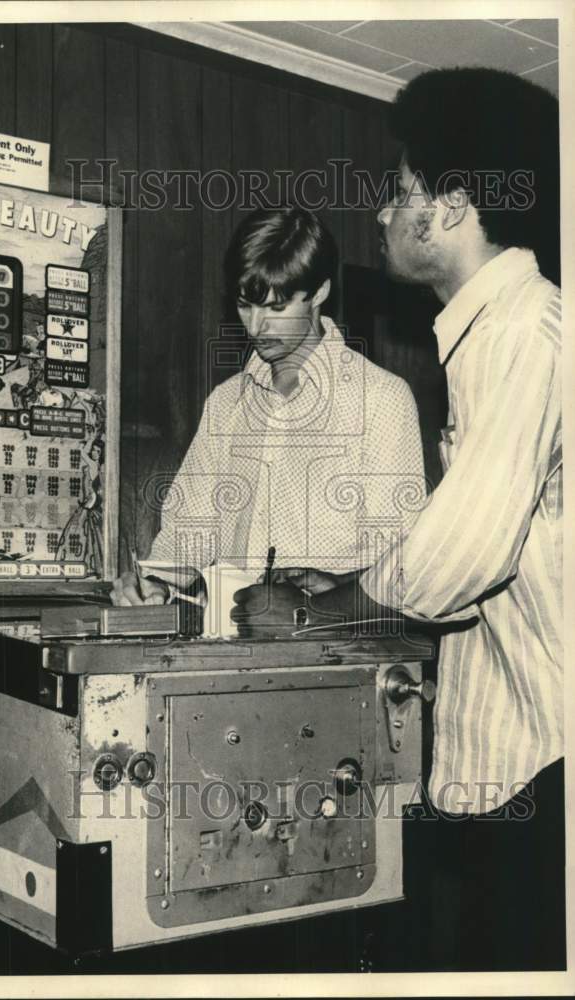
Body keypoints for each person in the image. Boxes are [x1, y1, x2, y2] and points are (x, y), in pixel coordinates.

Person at [233, 68, 563, 971]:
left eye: (400, 191)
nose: (381, 214)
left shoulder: (521, 337)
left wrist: (312, 611)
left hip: (551, 769)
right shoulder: (498, 333)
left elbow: (457, 559)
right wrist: (340, 584)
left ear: (451, 208)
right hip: (523, 763)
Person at [112, 207, 425, 605]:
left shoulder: (381, 400)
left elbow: (406, 558)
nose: (257, 327)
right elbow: (188, 531)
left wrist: (339, 589)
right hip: (228, 647)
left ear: (321, 293)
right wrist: (154, 583)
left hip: (340, 648)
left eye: (277, 308)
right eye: (246, 305)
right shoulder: (226, 405)